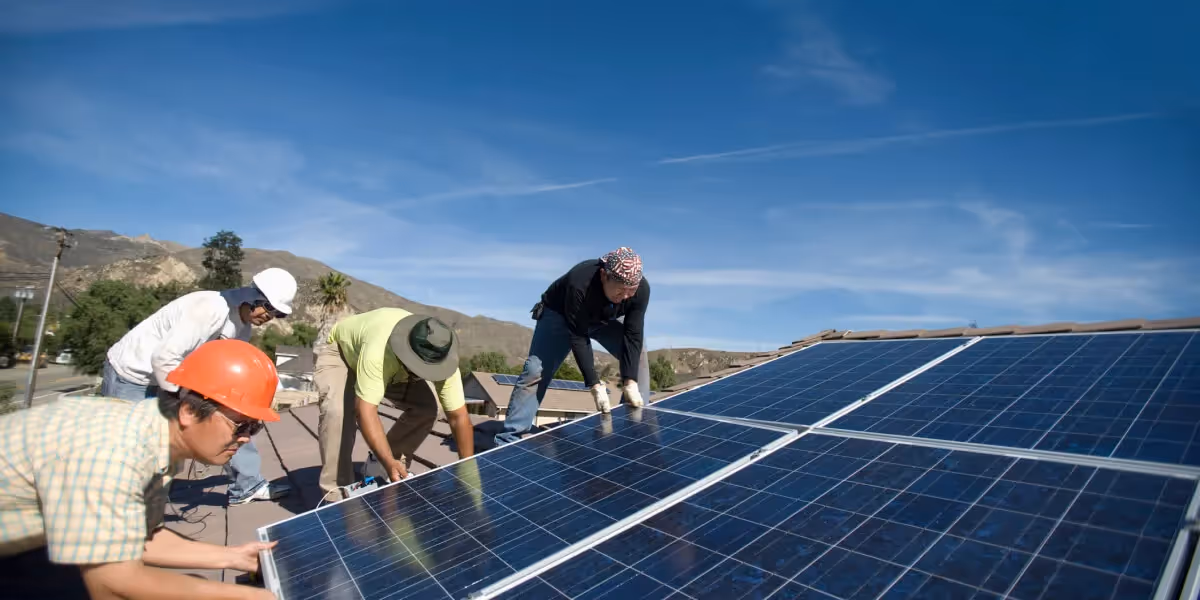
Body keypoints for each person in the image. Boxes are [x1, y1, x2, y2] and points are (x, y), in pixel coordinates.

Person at [0, 339, 281, 599]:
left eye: (254, 427)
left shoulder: (157, 438)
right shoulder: (113, 456)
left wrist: (232, 557)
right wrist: (253, 596)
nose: (246, 437)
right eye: (241, 425)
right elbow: (110, 582)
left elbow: (137, 538)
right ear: (189, 411)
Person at [101, 267, 297, 505]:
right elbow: (163, 358)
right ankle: (122, 504)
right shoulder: (210, 308)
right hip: (131, 374)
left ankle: (247, 486)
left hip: (170, 375)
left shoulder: (241, 329)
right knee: (130, 446)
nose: (270, 316)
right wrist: (182, 402)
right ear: (251, 296)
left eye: (278, 313)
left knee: (231, 419)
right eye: (268, 307)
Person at [496, 247, 651, 446]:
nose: (626, 296)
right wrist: (594, 384)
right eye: (621, 290)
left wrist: (630, 381)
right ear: (604, 275)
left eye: (631, 291)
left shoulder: (640, 291)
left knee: (637, 357)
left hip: (603, 318)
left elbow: (633, 335)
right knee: (536, 371)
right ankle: (509, 440)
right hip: (560, 315)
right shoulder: (580, 282)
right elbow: (579, 336)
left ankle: (630, 434)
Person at [314, 307, 475, 498]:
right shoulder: (380, 350)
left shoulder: (444, 358)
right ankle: (337, 496)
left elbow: (459, 417)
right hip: (343, 354)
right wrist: (388, 460)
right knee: (337, 412)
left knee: (429, 408)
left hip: (395, 370)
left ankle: (381, 466)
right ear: (408, 353)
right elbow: (365, 410)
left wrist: (468, 473)